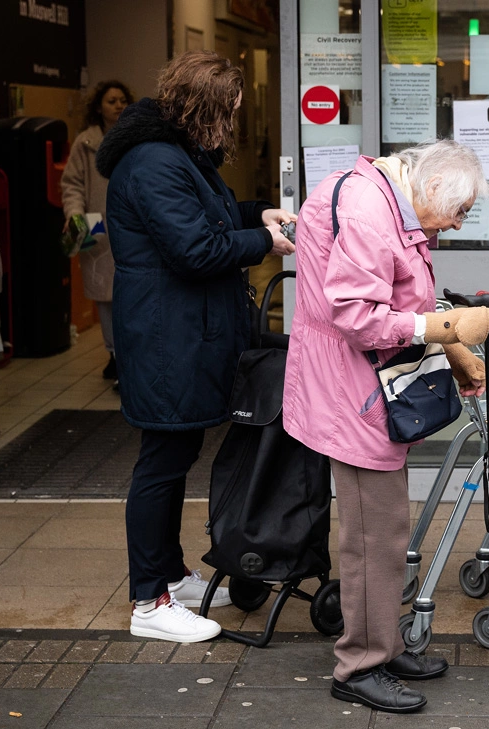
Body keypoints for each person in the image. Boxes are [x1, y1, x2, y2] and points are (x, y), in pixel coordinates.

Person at [282, 140, 489, 714]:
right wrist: (448, 325)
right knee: (373, 539)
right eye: (459, 211)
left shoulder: (384, 194)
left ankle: (384, 643)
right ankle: (360, 665)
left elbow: (400, 296)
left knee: (385, 530)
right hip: (350, 393)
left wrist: (448, 346)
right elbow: (358, 317)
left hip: (360, 388)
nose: (455, 225)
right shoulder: (369, 211)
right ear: (429, 189)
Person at [96, 50, 297, 643]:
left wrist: (256, 212)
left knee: (175, 457)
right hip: (166, 339)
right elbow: (195, 249)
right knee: (161, 463)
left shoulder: (177, 153)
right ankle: (149, 601)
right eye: (229, 110)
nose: (232, 122)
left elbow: (208, 218)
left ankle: (167, 572)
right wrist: (264, 240)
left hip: (180, 332)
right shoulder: (155, 161)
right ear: (205, 107)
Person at [60, 80, 134, 385]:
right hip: (97, 226)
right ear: (98, 107)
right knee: (106, 297)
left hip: (131, 227)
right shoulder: (85, 143)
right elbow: (72, 184)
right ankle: (115, 356)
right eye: (110, 101)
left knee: (132, 295)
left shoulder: (135, 138)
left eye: (122, 100)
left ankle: (129, 357)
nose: (117, 106)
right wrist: (75, 216)